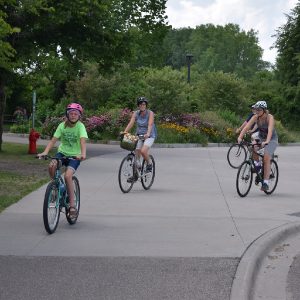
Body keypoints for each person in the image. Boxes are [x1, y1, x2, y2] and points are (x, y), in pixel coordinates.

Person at [37, 103, 88, 218]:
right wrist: (45, 152)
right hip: (62, 153)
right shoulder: (62, 126)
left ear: (79, 116)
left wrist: (83, 154)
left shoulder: (80, 126)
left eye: (76, 114)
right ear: (67, 114)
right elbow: (53, 141)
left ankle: (72, 205)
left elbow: (82, 141)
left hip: (75, 156)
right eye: (71, 113)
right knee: (51, 166)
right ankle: (56, 187)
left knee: (68, 176)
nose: (73, 115)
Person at [237, 100, 278, 192]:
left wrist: (267, 141)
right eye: (256, 109)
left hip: (271, 139)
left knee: (266, 158)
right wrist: (240, 137)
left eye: (259, 110)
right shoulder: (255, 117)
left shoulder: (269, 117)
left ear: (264, 110)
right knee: (252, 147)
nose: (257, 111)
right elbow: (247, 127)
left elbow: (270, 130)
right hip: (261, 137)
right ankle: (258, 166)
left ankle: (266, 183)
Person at [123, 96, 157, 176]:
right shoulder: (136, 113)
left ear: (146, 105)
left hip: (149, 136)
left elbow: (150, 124)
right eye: (140, 104)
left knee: (143, 151)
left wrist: (148, 133)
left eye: (144, 104)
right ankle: (136, 173)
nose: (142, 106)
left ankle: (149, 164)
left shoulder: (150, 113)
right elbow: (131, 123)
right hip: (139, 135)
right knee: (136, 153)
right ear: (138, 106)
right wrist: (124, 132)